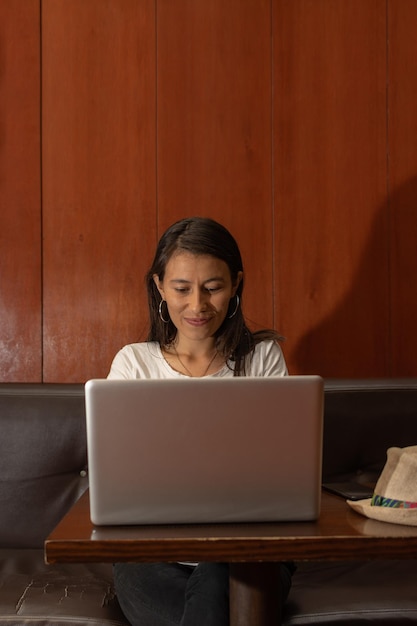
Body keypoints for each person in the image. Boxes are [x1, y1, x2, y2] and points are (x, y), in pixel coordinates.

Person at [108, 217, 294, 625]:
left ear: (236, 284)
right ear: (159, 286)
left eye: (213, 287)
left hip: (245, 547)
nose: (198, 305)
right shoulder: (133, 363)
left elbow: (281, 466)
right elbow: (119, 472)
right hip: (150, 554)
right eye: (181, 289)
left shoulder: (262, 359)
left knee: (218, 577)